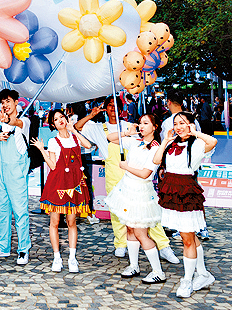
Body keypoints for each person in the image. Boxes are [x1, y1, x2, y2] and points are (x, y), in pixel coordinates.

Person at [75, 97, 179, 263]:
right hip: (113, 170)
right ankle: (121, 243)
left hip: (133, 172)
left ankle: (163, 246)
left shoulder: (130, 125)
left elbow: (146, 156)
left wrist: (132, 131)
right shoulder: (96, 126)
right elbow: (77, 127)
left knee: (147, 214)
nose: (112, 109)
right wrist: (91, 114)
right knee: (117, 211)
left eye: (116, 106)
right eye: (109, 106)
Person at [153, 111, 217, 298]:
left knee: (187, 238)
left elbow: (212, 142)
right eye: (176, 123)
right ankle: (203, 274)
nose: (179, 126)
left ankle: (187, 280)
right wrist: (165, 140)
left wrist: (194, 132)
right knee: (187, 235)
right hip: (171, 191)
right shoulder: (172, 143)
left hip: (186, 192)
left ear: (191, 124)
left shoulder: (197, 144)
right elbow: (157, 160)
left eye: (183, 123)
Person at [105, 114, 166, 283]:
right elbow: (110, 138)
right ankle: (133, 265)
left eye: (146, 123)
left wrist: (127, 167)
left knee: (141, 232)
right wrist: (127, 132)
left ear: (154, 127)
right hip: (127, 189)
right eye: (140, 123)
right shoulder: (136, 141)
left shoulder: (155, 147)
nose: (141, 126)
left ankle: (158, 271)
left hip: (141, 192)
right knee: (130, 229)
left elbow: (146, 174)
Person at [33, 109, 92, 273]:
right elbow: (52, 166)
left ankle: (72, 258)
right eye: (56, 119)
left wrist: (74, 130)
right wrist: (41, 149)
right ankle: (57, 257)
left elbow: (88, 145)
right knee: (55, 222)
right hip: (58, 184)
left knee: (72, 222)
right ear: (52, 124)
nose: (60, 120)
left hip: (75, 184)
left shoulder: (75, 138)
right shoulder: (53, 141)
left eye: (62, 117)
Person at [0, 89, 31, 265]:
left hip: (17, 173)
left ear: (16, 102)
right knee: (2, 212)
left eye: (8, 101)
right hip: (0, 173)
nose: (5, 105)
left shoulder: (24, 120)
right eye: (2, 102)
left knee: (20, 212)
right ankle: (2, 247)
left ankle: (23, 250)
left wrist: (8, 121)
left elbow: (17, 123)